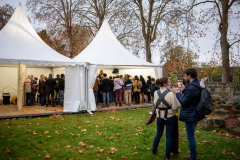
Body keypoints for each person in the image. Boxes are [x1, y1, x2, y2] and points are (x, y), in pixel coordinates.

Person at [173, 68, 205, 160]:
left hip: (191, 115)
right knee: (191, 136)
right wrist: (184, 89)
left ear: (189, 75)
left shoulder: (192, 87)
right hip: (195, 113)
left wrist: (178, 93)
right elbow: (191, 98)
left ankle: (193, 158)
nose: (184, 77)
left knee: (190, 137)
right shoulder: (196, 84)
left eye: (185, 76)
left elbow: (184, 102)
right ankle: (193, 156)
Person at [151, 77, 181, 160]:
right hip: (170, 116)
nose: (170, 83)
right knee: (169, 136)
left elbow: (155, 103)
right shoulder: (170, 94)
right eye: (169, 82)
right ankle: (167, 156)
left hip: (159, 116)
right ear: (165, 84)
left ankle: (153, 151)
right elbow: (176, 106)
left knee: (158, 134)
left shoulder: (156, 92)